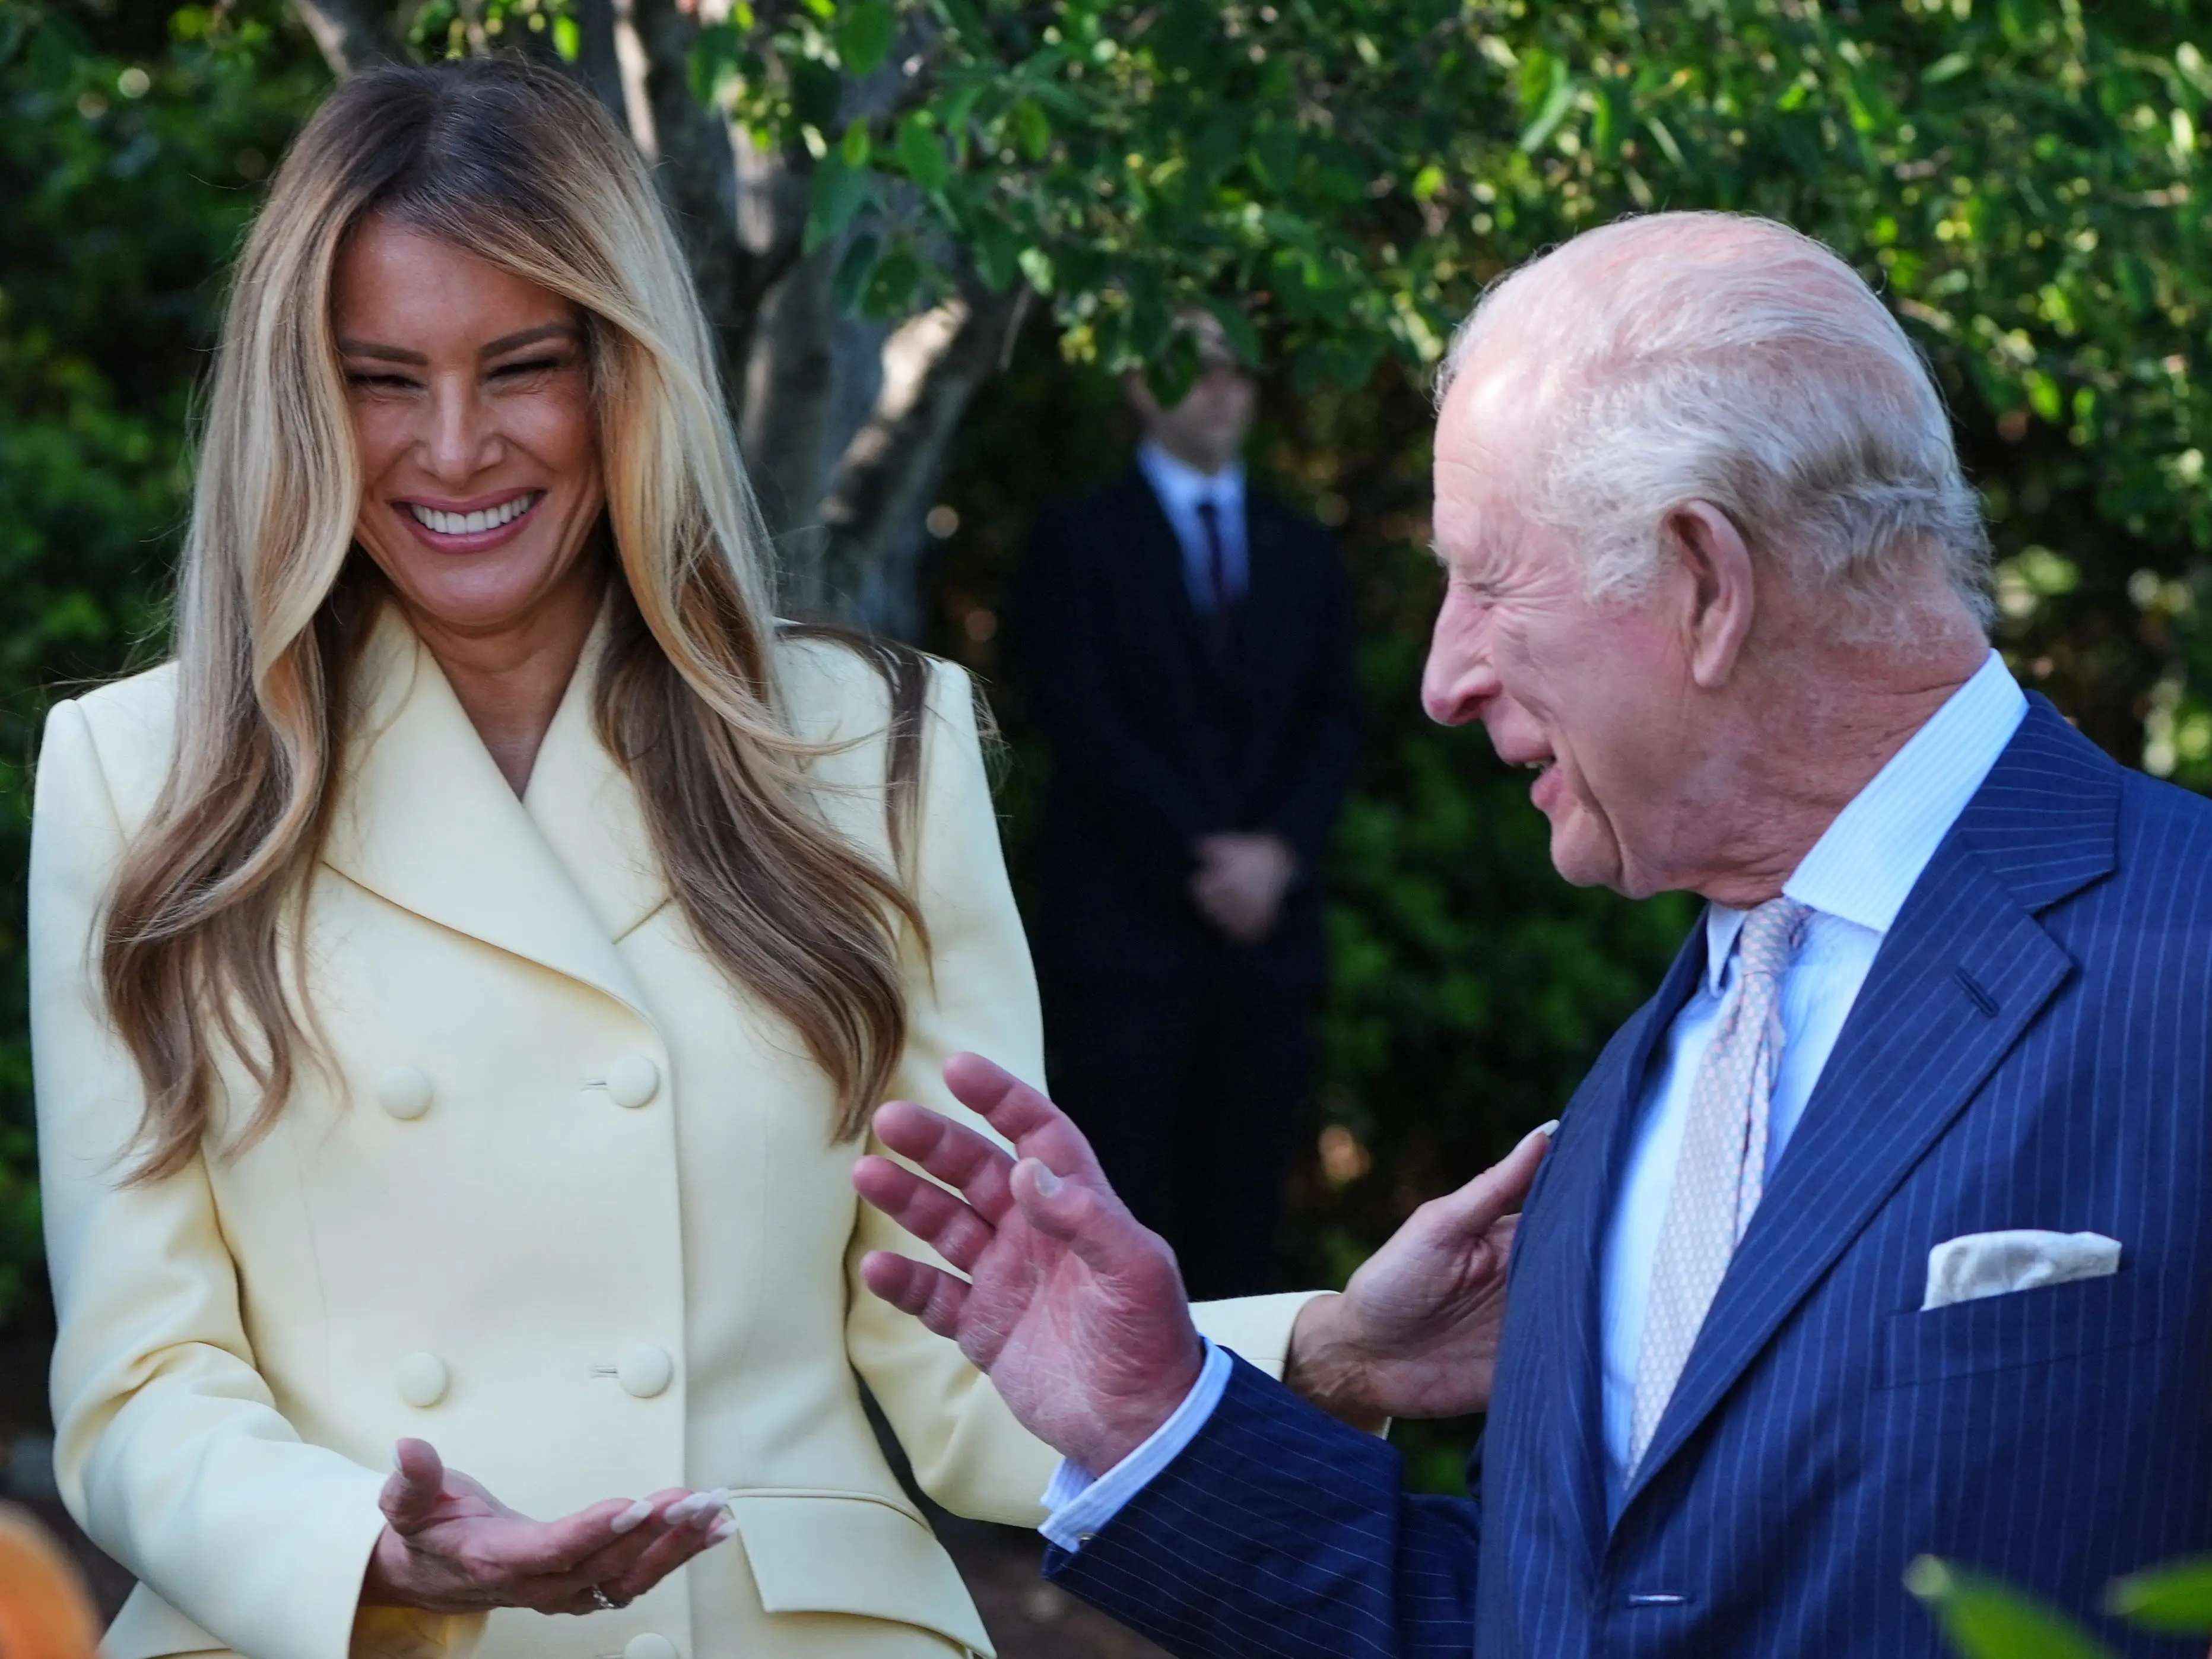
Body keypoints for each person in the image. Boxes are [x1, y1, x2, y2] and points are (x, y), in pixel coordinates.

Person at [27, 59, 1319, 1659]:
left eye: (521, 367)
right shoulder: (140, 775)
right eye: (379, 379)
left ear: (624, 368)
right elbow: (140, 1384)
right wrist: (370, 1554)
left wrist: (1327, 1346)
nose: (452, 449)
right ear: (298, 394)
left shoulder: (870, 745)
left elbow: (976, 1360)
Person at [853, 211, 2212, 1657]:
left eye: (1488, 579)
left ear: (1704, 581)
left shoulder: (2179, 955)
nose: (1443, 674)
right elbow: (1547, 1623)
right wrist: (1158, 1418)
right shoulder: (1630, 1093)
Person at [1011, 319, 1359, 1298]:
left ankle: (1234, 1440)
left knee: (1245, 1223)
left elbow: (1333, 717)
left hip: (1268, 946)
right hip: (1127, 938)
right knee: (1115, 1214)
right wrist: (1199, 859)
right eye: (1193, 365)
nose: (1220, 387)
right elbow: (1076, 716)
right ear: (1138, 382)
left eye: (1237, 367)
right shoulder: (1077, 540)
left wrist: (1277, 855)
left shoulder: (1301, 545)